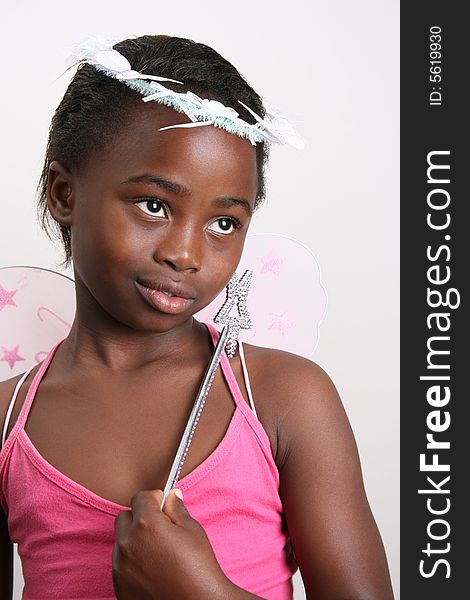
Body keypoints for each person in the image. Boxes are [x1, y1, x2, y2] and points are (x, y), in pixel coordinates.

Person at [0, 35, 394, 599]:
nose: (184, 254)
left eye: (223, 223)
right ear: (64, 193)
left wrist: (206, 594)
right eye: (154, 205)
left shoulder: (283, 399)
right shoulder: (9, 423)